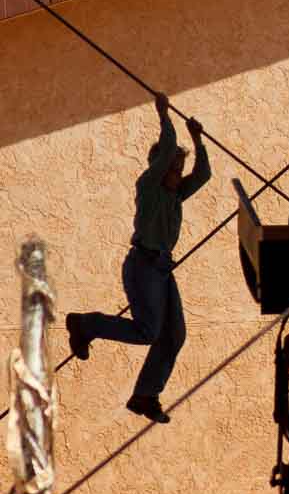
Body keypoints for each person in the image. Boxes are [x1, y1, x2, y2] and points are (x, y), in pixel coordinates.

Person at [66, 93, 211, 423]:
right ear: (161, 169)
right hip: (143, 266)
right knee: (148, 331)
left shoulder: (176, 195)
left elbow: (203, 175)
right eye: (175, 168)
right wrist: (164, 116)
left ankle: (146, 394)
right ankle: (85, 324)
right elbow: (165, 152)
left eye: (179, 169)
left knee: (174, 335)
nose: (179, 174)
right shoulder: (149, 186)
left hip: (161, 268)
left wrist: (198, 140)